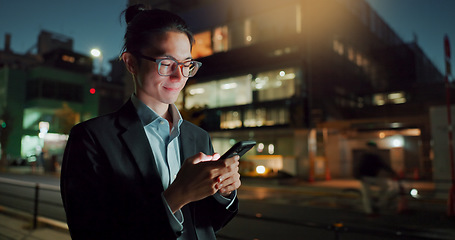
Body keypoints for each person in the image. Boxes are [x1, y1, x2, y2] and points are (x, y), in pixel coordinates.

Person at [60, 5, 240, 239]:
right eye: (166, 63)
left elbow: (208, 224)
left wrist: (224, 193)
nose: (178, 76)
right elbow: (89, 232)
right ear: (130, 63)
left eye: (186, 64)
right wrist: (176, 196)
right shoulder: (91, 138)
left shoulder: (198, 136)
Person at [355, 141, 398, 214]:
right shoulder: (364, 157)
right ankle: (369, 211)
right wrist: (358, 176)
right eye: (370, 148)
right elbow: (358, 167)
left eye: (372, 148)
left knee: (386, 186)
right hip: (365, 178)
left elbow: (384, 165)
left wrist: (393, 172)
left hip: (373, 177)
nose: (371, 149)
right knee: (366, 194)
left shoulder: (376, 157)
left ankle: (378, 204)